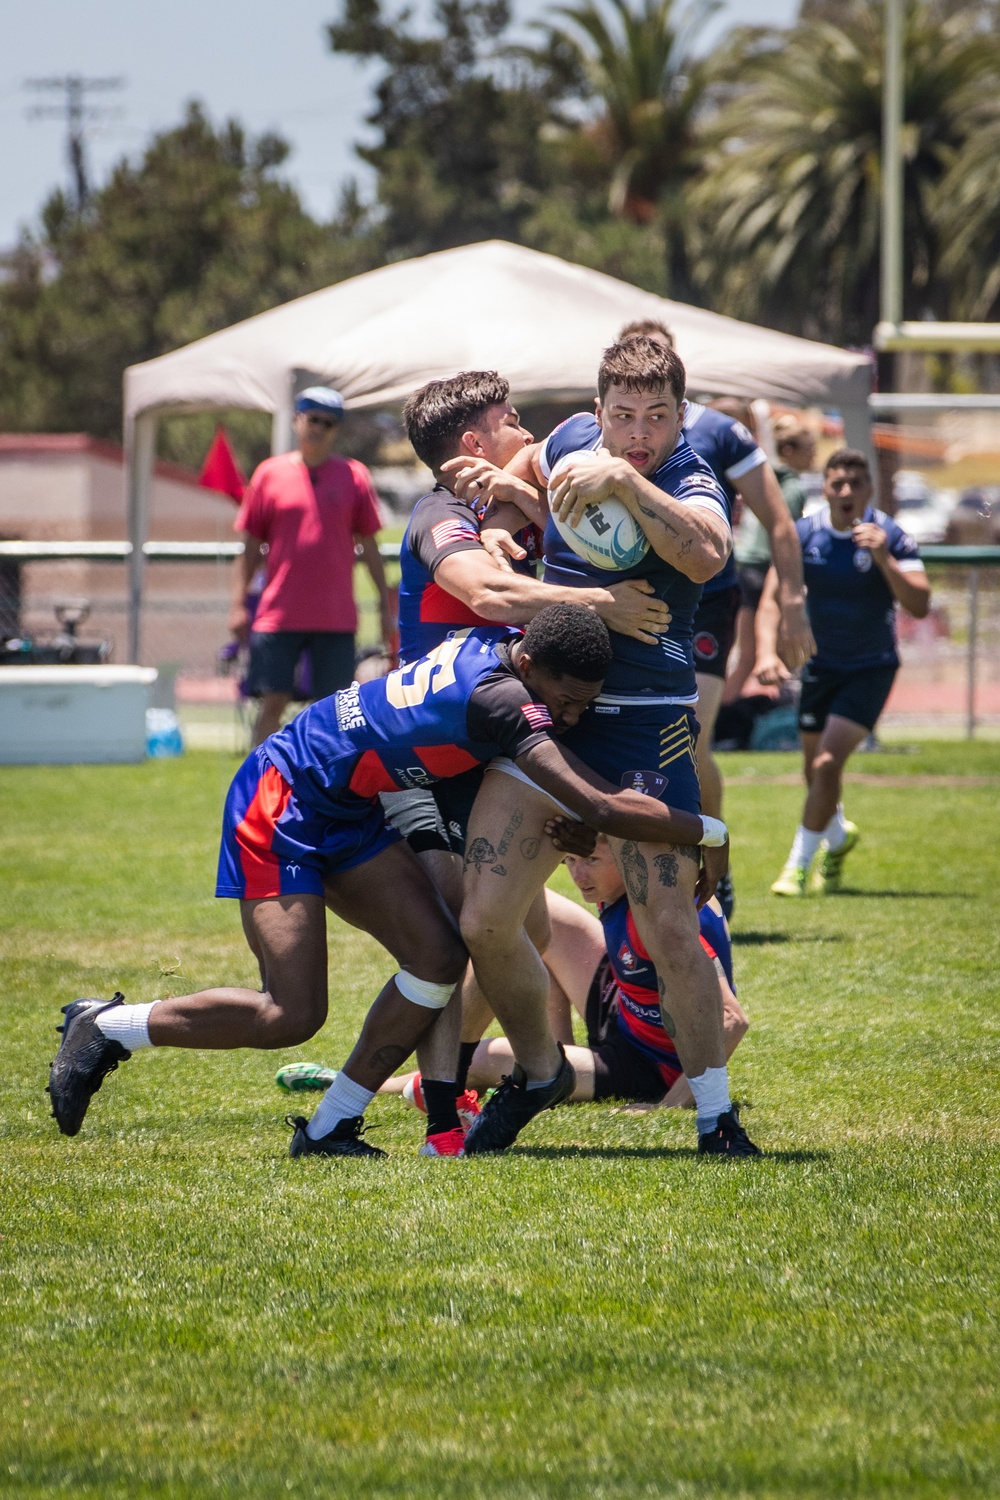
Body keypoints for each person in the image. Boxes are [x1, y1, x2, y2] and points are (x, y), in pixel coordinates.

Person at [47, 606, 731, 1159]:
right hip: (282, 795)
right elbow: (603, 806)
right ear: (527, 665)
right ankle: (109, 1026)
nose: (573, 716)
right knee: (290, 1014)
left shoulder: (496, 640)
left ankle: (329, 1128)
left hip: (349, 804)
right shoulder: (504, 702)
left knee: (437, 957)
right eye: (568, 700)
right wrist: (711, 832)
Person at [443, 335, 760, 1158]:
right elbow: (533, 471)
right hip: (547, 717)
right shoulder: (571, 441)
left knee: (666, 924)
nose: (638, 432)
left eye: (657, 417)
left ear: (681, 417)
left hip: (643, 727)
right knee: (483, 919)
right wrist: (510, 513)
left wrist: (624, 479)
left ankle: (715, 1118)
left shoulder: (689, 479)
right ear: (597, 412)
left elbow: (708, 551)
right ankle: (540, 1069)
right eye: (623, 417)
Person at [380, 371, 673, 1126]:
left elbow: (552, 469)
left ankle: (484, 1081)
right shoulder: (440, 514)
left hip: (501, 743)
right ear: (474, 442)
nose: (527, 429)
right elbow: (490, 596)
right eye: (511, 420)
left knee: (514, 925)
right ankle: (448, 1099)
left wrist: (526, 500)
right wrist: (598, 603)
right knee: (466, 935)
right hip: (438, 755)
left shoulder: (514, 502)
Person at [278, 839, 749, 1115]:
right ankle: (550, 1062)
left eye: (590, 861)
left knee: (482, 1060)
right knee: (516, 910)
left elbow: (729, 1021)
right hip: (624, 1006)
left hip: (650, 1066)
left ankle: (366, 1082)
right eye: (569, 861)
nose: (578, 875)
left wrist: (668, 1107)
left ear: (625, 854)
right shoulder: (631, 879)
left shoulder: (665, 916)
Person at [618, 320, 814, 916]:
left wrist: (795, 606)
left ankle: (713, 861)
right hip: (632, 597)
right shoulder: (604, 427)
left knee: (690, 734)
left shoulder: (718, 432)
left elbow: (779, 521)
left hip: (707, 601)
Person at [758, 449, 931, 896]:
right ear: (826, 487)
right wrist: (766, 654)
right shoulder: (804, 536)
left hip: (871, 668)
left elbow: (920, 603)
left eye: (856, 483)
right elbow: (772, 598)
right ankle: (836, 839)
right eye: (838, 482)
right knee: (815, 774)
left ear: (870, 489)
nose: (847, 491)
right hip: (821, 666)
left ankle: (797, 866)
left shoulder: (890, 535)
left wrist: (884, 560)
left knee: (828, 762)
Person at [228, 386, 394, 746]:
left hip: (335, 616)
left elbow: (369, 545)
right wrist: (238, 605)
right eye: (313, 418)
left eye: (329, 423)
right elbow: (250, 548)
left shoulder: (355, 475)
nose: (319, 428)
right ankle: (257, 787)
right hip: (279, 614)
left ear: (337, 430)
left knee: (333, 707)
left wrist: (384, 605)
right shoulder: (269, 475)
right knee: (272, 700)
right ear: (297, 420)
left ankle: (323, 786)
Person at [725, 414, 815, 705]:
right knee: (752, 658)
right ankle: (716, 722)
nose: (812, 453)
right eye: (806, 447)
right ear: (788, 450)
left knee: (747, 657)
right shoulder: (792, 488)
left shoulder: (764, 477)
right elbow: (783, 535)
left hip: (743, 567)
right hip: (761, 569)